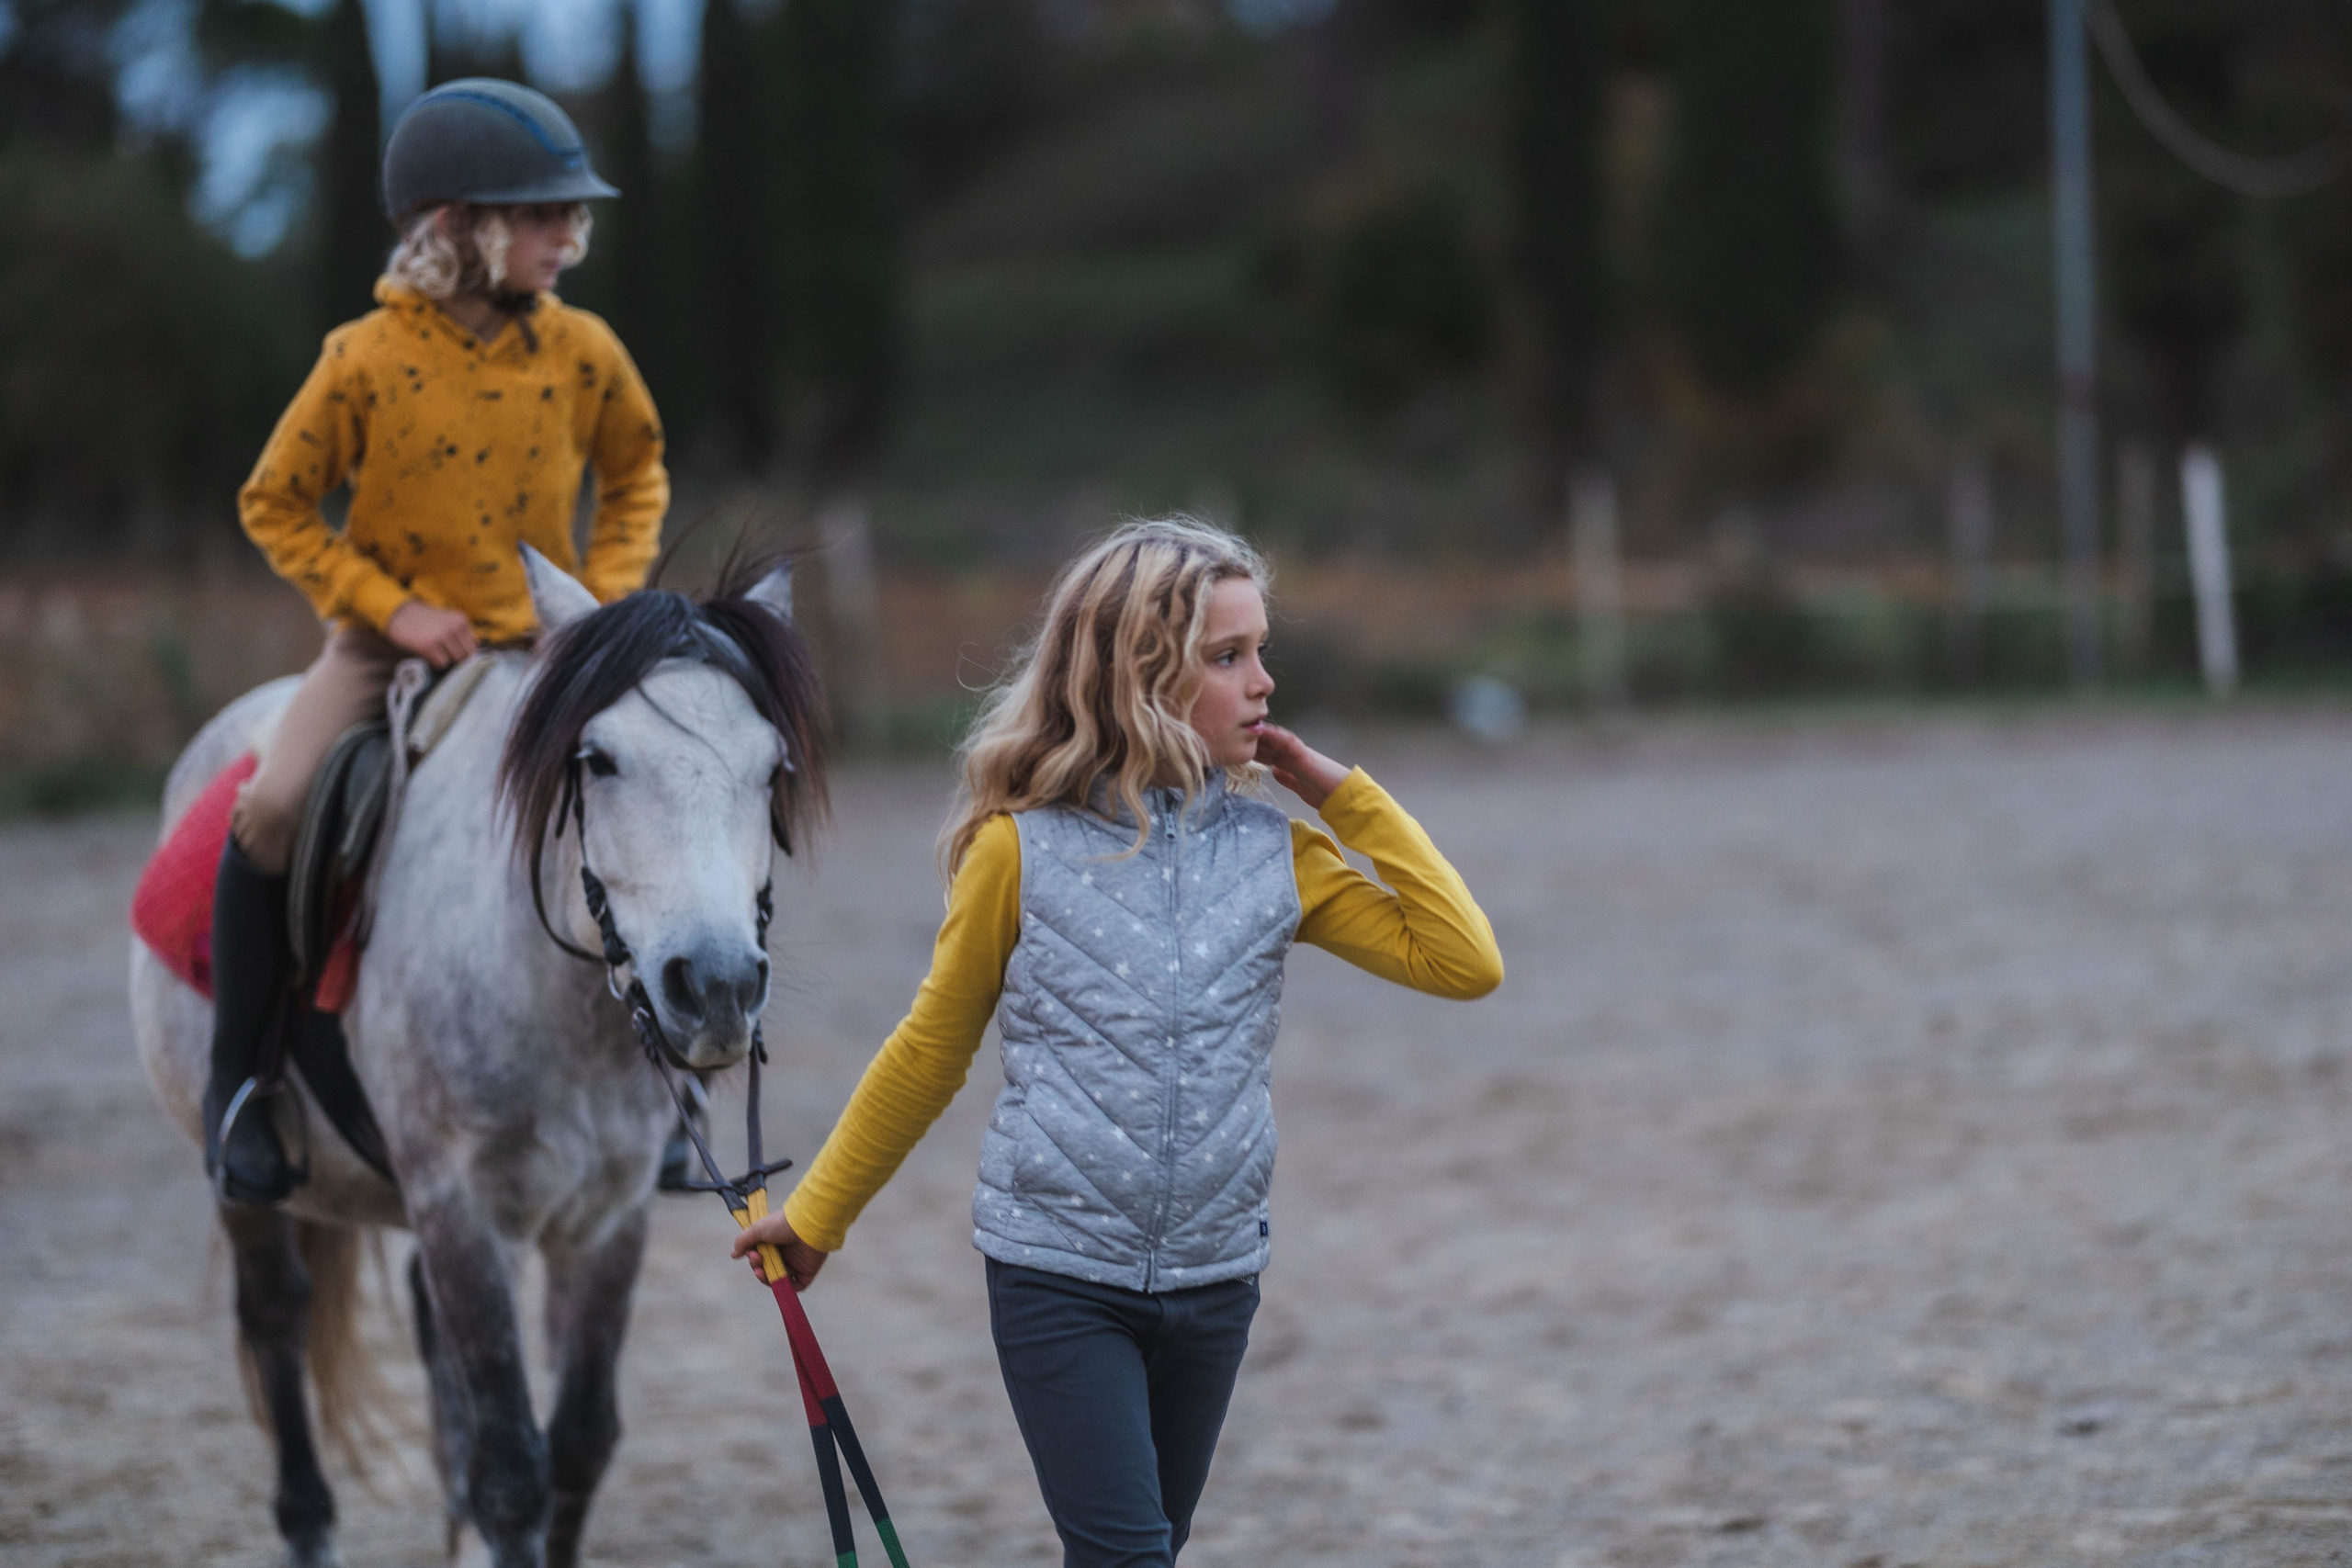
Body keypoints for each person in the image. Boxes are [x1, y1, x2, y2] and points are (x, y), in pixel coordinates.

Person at [731, 517, 1504, 1566]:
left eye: (1260, 652)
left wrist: (1340, 795)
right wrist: (816, 1216)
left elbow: (1462, 961)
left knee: (1142, 1556)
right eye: (1228, 658)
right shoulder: (1017, 853)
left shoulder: (1282, 859)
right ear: (1138, 678)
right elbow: (928, 1050)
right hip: (1057, 1277)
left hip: (1217, 1279)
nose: (1263, 683)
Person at [206, 79, 667, 1203]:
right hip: (387, 648)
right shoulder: (358, 358)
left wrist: (600, 606)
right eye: (545, 215)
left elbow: (638, 470)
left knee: (663, 784)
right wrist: (391, 609)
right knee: (271, 806)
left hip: (552, 645)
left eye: (574, 214)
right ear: (458, 227)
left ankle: (666, 1081)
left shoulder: (587, 350)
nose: (573, 236)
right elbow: (273, 502)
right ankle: (246, 1082)